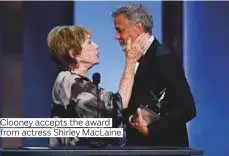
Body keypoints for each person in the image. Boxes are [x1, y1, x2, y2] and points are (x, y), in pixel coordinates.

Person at [47, 25, 149, 147]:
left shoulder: (65, 78)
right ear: (74, 54)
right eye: (89, 43)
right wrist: (131, 60)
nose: (96, 46)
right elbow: (120, 103)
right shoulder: (75, 86)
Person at [112, 4, 196, 147]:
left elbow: (187, 109)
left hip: (163, 148)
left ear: (138, 28)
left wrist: (150, 129)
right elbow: (128, 105)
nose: (117, 37)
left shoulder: (164, 59)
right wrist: (132, 119)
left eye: (120, 30)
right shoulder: (133, 58)